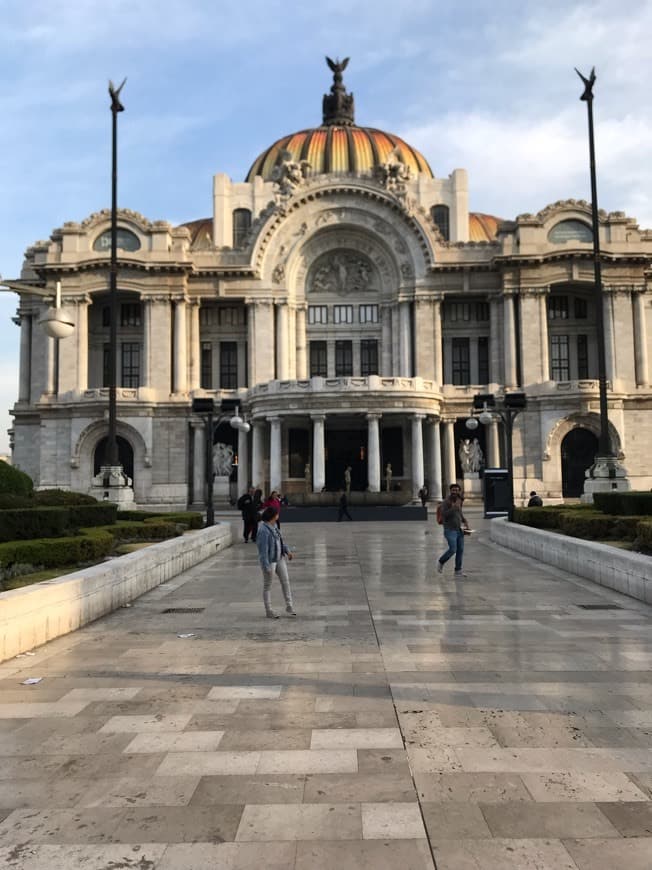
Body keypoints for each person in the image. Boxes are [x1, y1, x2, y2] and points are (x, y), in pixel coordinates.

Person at [256, 505, 296, 618]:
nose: (278, 515)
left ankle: (289, 606)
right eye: (277, 514)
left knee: (285, 582)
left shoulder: (274, 527)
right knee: (267, 586)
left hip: (279, 558)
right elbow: (262, 550)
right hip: (270, 561)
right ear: (273, 516)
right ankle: (269, 610)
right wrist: (266, 566)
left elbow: (280, 543)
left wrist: (287, 551)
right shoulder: (263, 530)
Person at [436, 493, 470, 577]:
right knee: (453, 549)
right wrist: (453, 508)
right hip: (450, 530)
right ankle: (441, 561)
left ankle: (458, 570)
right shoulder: (445, 503)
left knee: (460, 550)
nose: (461, 504)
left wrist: (465, 522)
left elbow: (460, 515)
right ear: (454, 500)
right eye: (460, 502)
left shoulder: (458, 506)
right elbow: (444, 515)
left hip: (459, 530)